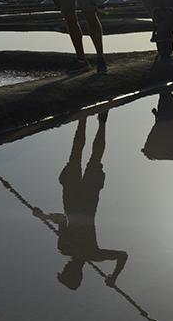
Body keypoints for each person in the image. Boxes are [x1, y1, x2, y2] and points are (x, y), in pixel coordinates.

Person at [33, 111, 128, 290]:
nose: (65, 267)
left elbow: (61, 219)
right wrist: (113, 278)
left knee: (85, 156)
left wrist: (44, 216)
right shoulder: (76, 250)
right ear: (75, 273)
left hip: (78, 200)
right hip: (82, 201)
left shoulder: (84, 252)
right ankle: (92, 120)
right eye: (66, 271)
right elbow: (123, 255)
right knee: (82, 155)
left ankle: (96, 121)